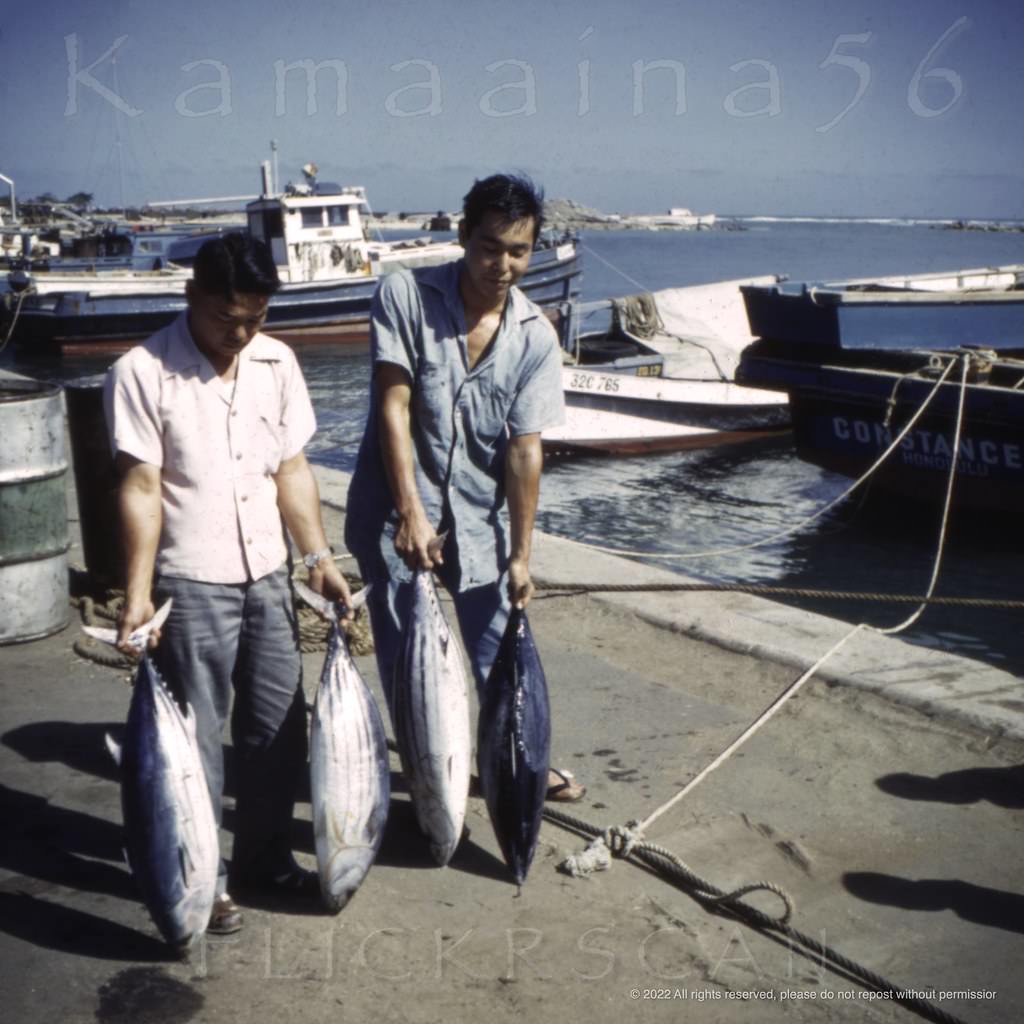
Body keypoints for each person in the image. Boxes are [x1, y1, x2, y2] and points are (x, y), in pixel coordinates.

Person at [104, 233, 351, 936]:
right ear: (191, 297)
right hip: (191, 579)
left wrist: (317, 558)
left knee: (277, 727)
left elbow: (292, 471)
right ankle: (200, 878)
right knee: (195, 738)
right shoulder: (141, 371)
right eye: (226, 318)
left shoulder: (277, 362)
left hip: (269, 572)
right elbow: (142, 486)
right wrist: (138, 593)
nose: (241, 334)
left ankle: (266, 858)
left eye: (256, 318)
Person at [345, 172, 585, 804]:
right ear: (461, 235)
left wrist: (522, 555)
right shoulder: (404, 294)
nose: (502, 265)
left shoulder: (535, 336)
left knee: (497, 648)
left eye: (518, 251)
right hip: (391, 514)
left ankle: (520, 766)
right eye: (488, 247)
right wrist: (410, 512)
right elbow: (392, 406)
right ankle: (430, 774)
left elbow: (525, 449)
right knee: (407, 662)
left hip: (478, 519)